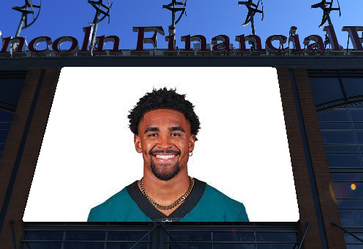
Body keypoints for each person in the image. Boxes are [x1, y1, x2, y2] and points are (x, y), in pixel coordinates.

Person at [87, 88, 249, 222]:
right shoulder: (104, 216)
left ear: (190, 143)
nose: (164, 145)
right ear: (138, 143)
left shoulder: (230, 214)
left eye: (175, 134)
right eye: (153, 134)